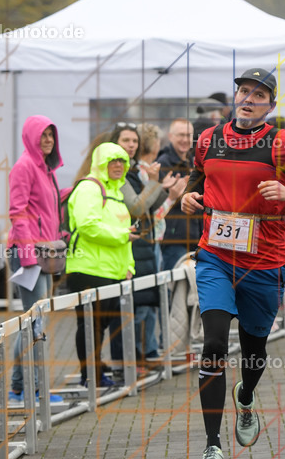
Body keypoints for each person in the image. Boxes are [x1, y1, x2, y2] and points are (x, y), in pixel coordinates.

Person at [181, 67, 285, 459]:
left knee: (254, 350)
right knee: (213, 342)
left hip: (264, 262)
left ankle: (245, 396)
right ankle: (213, 446)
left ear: (271, 104)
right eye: (244, 91)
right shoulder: (208, 139)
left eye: (258, 94)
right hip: (215, 257)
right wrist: (189, 196)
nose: (248, 99)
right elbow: (198, 178)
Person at [65, 142, 137, 387]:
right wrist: (123, 235)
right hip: (88, 269)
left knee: (99, 326)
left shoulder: (116, 192)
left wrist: (129, 267)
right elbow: (88, 226)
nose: (118, 165)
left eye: (122, 161)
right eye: (112, 161)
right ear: (100, 163)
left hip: (111, 271)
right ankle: (90, 376)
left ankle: (95, 371)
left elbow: (125, 235)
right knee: (90, 326)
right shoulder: (89, 187)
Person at [6, 115, 66, 407]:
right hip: (28, 254)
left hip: (44, 254)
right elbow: (17, 212)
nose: (48, 140)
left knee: (33, 321)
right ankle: (35, 390)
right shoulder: (24, 166)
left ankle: (18, 389)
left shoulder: (46, 169)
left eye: (51, 135)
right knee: (35, 323)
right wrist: (28, 256)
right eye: (43, 135)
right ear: (31, 136)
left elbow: (44, 209)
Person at [115, 122, 186, 367]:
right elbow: (143, 211)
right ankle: (143, 354)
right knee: (143, 302)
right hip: (144, 240)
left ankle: (149, 352)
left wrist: (162, 190)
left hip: (150, 241)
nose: (131, 146)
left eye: (134, 141)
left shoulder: (140, 170)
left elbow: (148, 209)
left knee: (150, 300)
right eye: (126, 141)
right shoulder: (139, 172)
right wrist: (170, 196)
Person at [157, 118, 200, 272]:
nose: (185, 140)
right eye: (181, 135)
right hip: (174, 240)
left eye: (188, 135)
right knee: (175, 283)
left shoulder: (194, 162)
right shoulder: (163, 163)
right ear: (170, 136)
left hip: (196, 237)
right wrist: (174, 194)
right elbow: (158, 203)